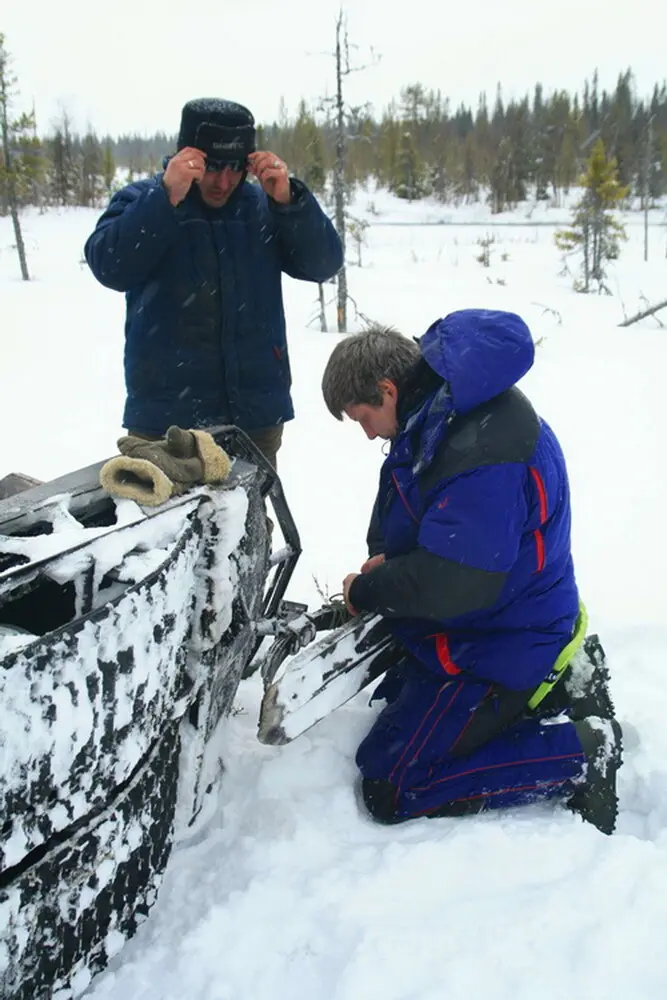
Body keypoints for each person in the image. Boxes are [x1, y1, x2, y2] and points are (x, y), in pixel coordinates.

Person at [321, 310, 623, 835]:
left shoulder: (480, 448)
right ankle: (552, 687)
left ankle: (580, 754)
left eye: (361, 417)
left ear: (387, 390)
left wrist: (371, 589)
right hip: (498, 616)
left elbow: (458, 583)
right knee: (398, 707)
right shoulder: (442, 414)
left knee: (395, 783)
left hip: (500, 637)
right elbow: (426, 512)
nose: (368, 435)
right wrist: (392, 561)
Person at [84, 98, 343, 470]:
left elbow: (324, 263)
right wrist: (165, 199)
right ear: (187, 157)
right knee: (160, 527)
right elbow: (110, 266)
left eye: (236, 168)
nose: (224, 182)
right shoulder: (144, 200)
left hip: (254, 416)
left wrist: (289, 201)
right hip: (165, 422)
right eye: (213, 167)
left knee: (249, 525)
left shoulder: (264, 207)